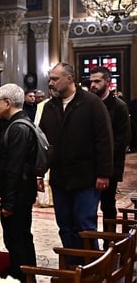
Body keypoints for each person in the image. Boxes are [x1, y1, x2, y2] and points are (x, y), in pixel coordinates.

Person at [39, 62, 113, 260]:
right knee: (65, 225)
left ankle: (92, 268)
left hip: (86, 177)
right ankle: (73, 268)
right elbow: (43, 143)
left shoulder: (91, 103)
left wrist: (104, 173)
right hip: (60, 177)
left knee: (84, 225)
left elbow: (104, 139)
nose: (51, 83)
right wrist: (39, 172)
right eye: (51, 79)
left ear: (69, 79)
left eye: (55, 79)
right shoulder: (49, 107)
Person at [0, 83, 38, 282]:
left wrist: (8, 203)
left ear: (7, 103)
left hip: (18, 195)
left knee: (17, 239)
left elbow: (15, 169)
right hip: (21, 193)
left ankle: (22, 277)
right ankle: (28, 276)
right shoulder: (20, 122)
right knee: (22, 237)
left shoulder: (18, 127)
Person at [89, 66, 131, 245]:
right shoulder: (88, 103)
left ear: (107, 82)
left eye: (97, 81)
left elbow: (124, 138)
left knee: (107, 204)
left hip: (110, 164)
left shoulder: (119, 106)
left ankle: (109, 242)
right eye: (91, 81)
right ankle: (89, 244)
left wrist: (104, 153)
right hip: (88, 163)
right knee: (88, 206)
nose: (93, 85)